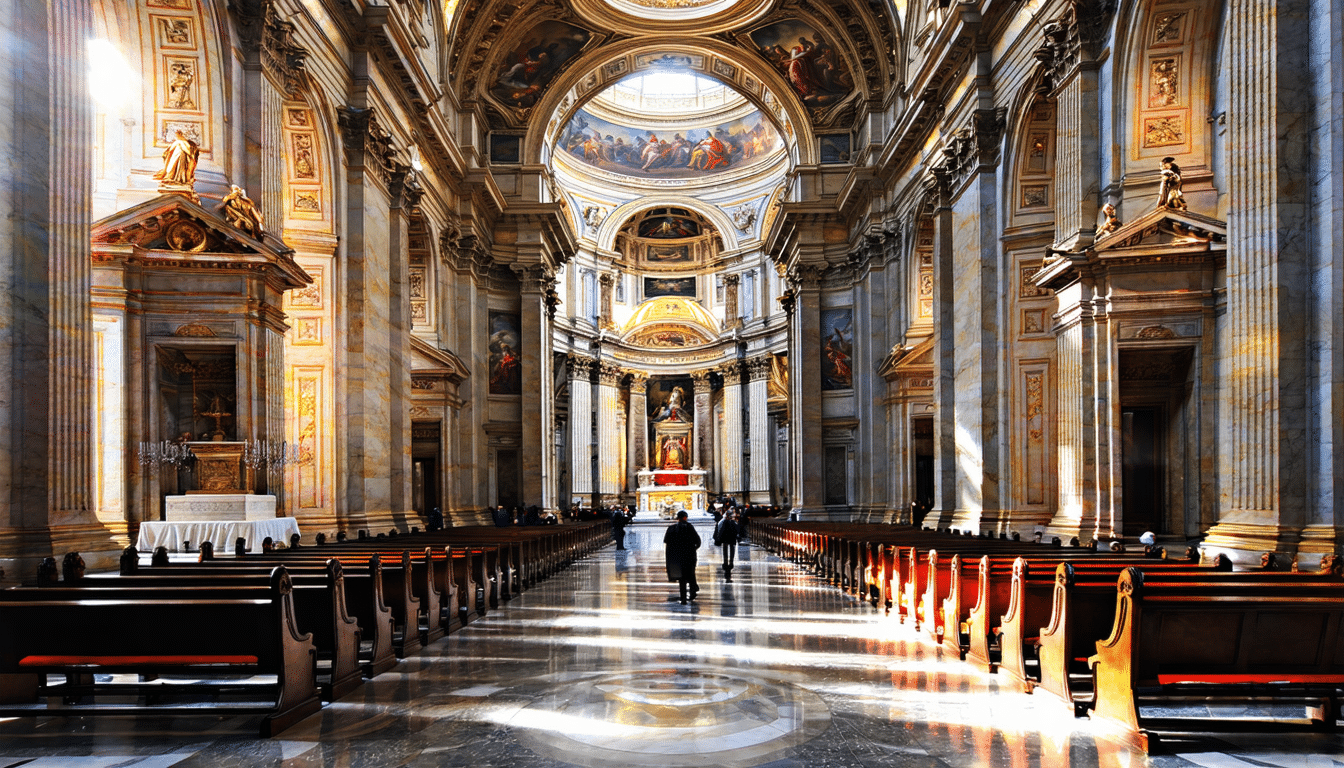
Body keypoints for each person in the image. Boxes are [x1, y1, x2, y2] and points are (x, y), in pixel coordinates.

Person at [664, 510, 701, 604]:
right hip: (689, 556)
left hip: (677, 557)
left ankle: (683, 597)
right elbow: (698, 541)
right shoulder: (689, 527)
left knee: (682, 579)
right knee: (691, 574)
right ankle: (693, 590)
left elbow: (667, 544)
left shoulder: (671, 528)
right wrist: (693, 549)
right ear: (685, 517)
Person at [713, 510, 740, 579]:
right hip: (731, 539)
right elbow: (737, 530)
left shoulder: (723, 522)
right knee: (731, 550)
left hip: (725, 538)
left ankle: (726, 561)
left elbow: (720, 530)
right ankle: (730, 561)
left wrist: (718, 538)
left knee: (726, 550)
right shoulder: (733, 522)